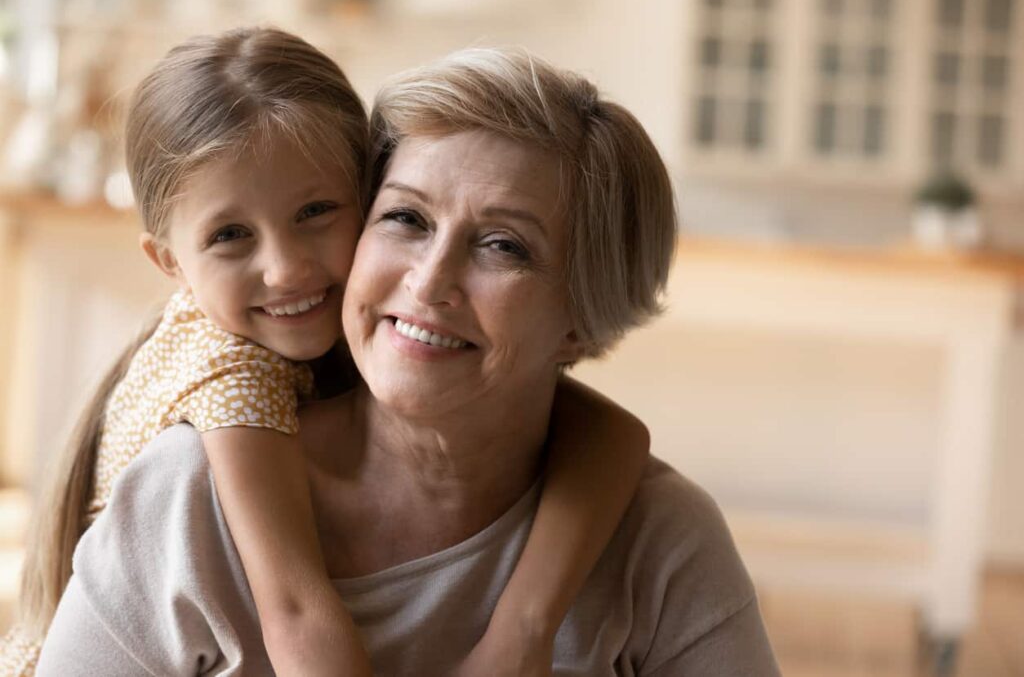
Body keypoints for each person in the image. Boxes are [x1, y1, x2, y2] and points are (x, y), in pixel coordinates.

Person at [34, 46, 781, 675]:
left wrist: (525, 625)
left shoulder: (661, 539)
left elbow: (616, 434)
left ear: (583, 317)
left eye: (504, 246)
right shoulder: (189, 496)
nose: (427, 283)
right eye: (406, 218)